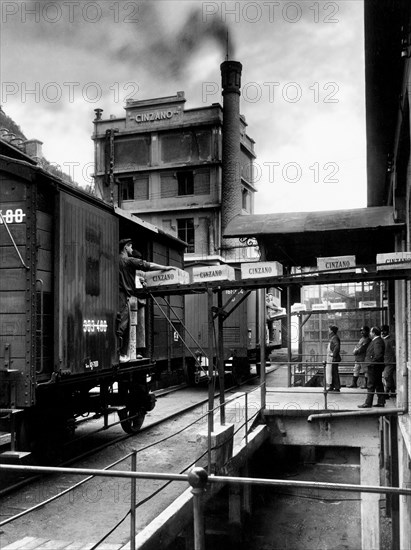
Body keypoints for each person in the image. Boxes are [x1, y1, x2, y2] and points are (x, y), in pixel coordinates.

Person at [118, 238, 173, 363]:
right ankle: (120, 354)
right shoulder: (128, 260)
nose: (132, 249)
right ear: (126, 247)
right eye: (131, 247)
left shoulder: (115, 260)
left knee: (122, 324)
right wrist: (165, 267)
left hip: (118, 294)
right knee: (122, 326)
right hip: (122, 295)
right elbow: (148, 265)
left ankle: (122, 353)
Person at [358, 326, 386, 408]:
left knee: (371, 385)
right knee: (378, 384)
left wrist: (371, 363)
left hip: (374, 367)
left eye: (370, 332)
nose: (369, 333)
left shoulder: (377, 341)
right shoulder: (377, 340)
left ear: (373, 333)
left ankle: (368, 403)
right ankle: (381, 402)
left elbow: (378, 355)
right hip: (375, 366)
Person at [381, 324, 396, 398]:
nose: (383, 332)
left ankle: (386, 393)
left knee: (386, 376)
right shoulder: (382, 340)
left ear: (387, 331)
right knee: (389, 377)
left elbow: (394, 351)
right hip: (384, 361)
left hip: (390, 361)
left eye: (384, 331)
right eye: (382, 331)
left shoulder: (391, 340)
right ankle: (392, 391)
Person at [326, 325, 341, 392]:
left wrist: (333, 354)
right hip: (331, 358)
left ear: (331, 331)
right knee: (331, 373)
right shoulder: (333, 337)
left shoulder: (334, 338)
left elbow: (337, 346)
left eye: (329, 329)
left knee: (334, 373)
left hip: (333, 358)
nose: (328, 331)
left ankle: (337, 387)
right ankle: (332, 386)